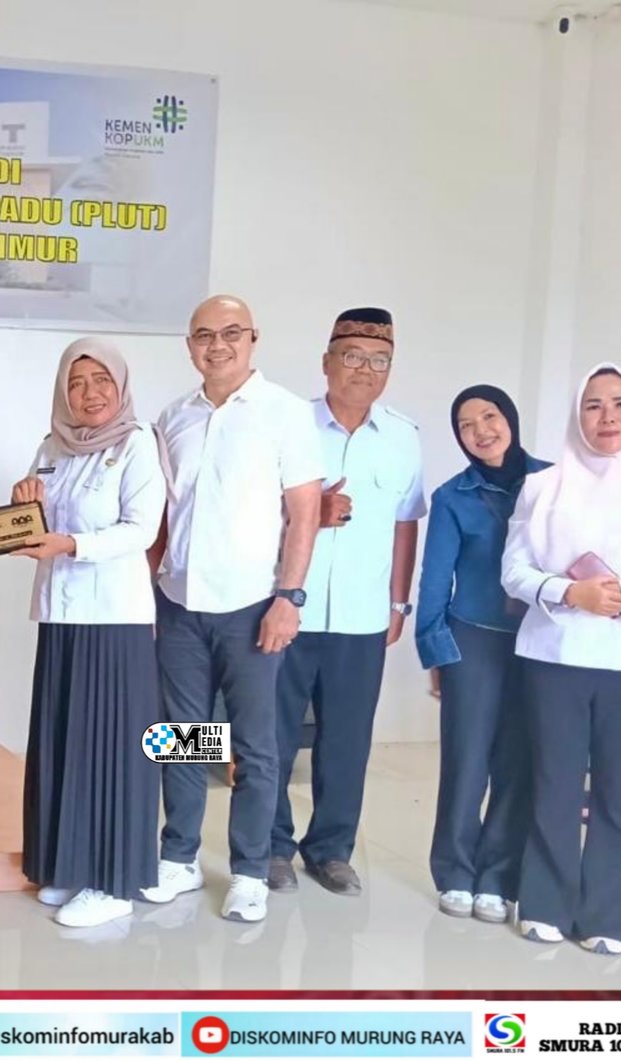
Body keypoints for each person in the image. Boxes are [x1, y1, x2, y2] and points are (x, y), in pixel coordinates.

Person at [148, 295, 323, 924]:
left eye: (230, 334)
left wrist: (288, 597)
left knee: (255, 745)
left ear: (253, 339)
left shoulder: (284, 414)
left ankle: (250, 868)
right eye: (203, 335)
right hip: (178, 604)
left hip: (254, 606)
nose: (216, 346)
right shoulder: (172, 418)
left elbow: (304, 512)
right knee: (182, 741)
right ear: (189, 344)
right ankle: (179, 858)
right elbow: (163, 517)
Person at [502, 363, 621, 955]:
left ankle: (607, 916)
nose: (606, 418)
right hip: (557, 654)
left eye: (619, 404)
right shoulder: (544, 486)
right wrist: (568, 592)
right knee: (555, 783)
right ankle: (546, 903)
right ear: (576, 415)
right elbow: (514, 570)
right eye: (593, 406)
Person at [270, 308, 426, 897]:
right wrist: (306, 513)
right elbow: (254, 508)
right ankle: (270, 846)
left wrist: (398, 605)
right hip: (288, 610)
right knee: (274, 737)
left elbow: (406, 523)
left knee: (347, 742)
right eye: (353, 356)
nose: (364, 369)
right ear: (327, 362)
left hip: (362, 617)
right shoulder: (289, 424)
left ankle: (331, 850)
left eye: (378, 360)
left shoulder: (404, 437)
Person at [11, 338, 164, 929]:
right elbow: (32, 526)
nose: (90, 393)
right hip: (60, 614)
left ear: (120, 385)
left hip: (115, 618)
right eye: (77, 383)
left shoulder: (137, 443)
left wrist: (72, 545)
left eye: (101, 380)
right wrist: (25, 510)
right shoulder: (51, 447)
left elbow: (141, 529)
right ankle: (68, 863)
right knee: (63, 739)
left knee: (118, 747)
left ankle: (114, 880)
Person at [416, 385, 548, 923]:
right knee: (466, 760)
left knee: (519, 762)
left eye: (489, 417)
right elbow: (434, 582)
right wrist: (437, 652)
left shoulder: (552, 483)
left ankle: (499, 877)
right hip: (472, 639)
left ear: (510, 418)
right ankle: (455, 872)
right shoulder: (453, 496)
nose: (481, 431)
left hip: (540, 640)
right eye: (467, 425)